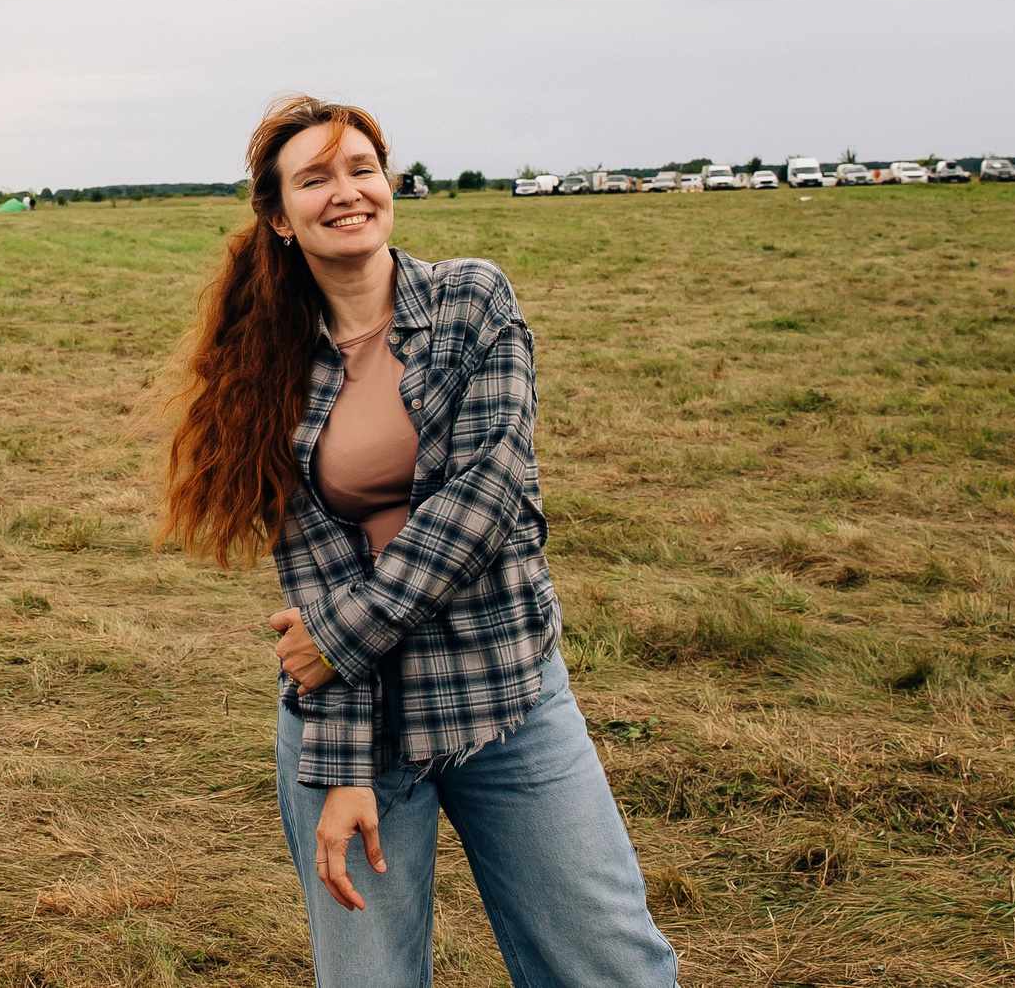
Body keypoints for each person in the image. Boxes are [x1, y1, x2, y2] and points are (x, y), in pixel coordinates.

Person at [161, 95, 678, 988]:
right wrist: (343, 763)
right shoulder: (268, 369)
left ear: (389, 182)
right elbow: (312, 584)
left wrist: (336, 639)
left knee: (610, 967)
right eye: (315, 179)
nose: (347, 191)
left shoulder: (472, 298)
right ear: (280, 219)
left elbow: (484, 500)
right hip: (360, 726)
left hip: (506, 696)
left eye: (361, 168)